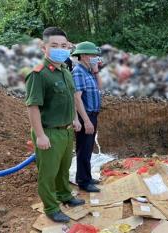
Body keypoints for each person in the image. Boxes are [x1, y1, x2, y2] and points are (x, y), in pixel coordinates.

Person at [25, 27, 85, 223]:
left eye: (64, 46)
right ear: (44, 48)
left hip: (67, 130)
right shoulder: (39, 74)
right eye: (54, 45)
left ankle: (65, 195)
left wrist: (75, 119)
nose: (60, 49)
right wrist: (40, 135)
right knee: (48, 173)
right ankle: (51, 207)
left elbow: (70, 98)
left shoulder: (65, 70)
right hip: (49, 132)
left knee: (64, 167)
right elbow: (33, 107)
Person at [71, 41, 102, 192]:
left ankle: (87, 177)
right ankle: (83, 181)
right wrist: (87, 121)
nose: (96, 57)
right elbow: (77, 98)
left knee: (88, 148)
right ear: (83, 56)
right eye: (93, 55)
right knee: (83, 149)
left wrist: (96, 70)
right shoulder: (78, 71)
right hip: (86, 116)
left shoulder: (88, 71)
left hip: (92, 115)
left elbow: (100, 88)